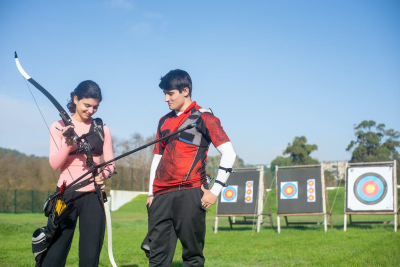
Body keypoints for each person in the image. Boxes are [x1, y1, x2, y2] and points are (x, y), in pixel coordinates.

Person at [147, 69, 236, 267]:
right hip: (160, 195)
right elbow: (157, 158)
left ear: (185, 90)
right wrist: (150, 192)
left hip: (190, 192)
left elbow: (229, 154)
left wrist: (215, 191)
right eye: (165, 94)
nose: (166, 99)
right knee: (156, 258)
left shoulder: (205, 118)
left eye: (170, 93)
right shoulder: (164, 121)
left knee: (192, 257)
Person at [41, 80, 116, 267]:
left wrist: (104, 174)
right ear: (75, 99)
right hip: (65, 194)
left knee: (90, 258)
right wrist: (67, 143)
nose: (91, 111)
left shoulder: (102, 129)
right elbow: (54, 164)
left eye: (95, 107)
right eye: (87, 105)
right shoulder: (58, 126)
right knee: (55, 254)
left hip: (94, 196)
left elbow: (111, 165)